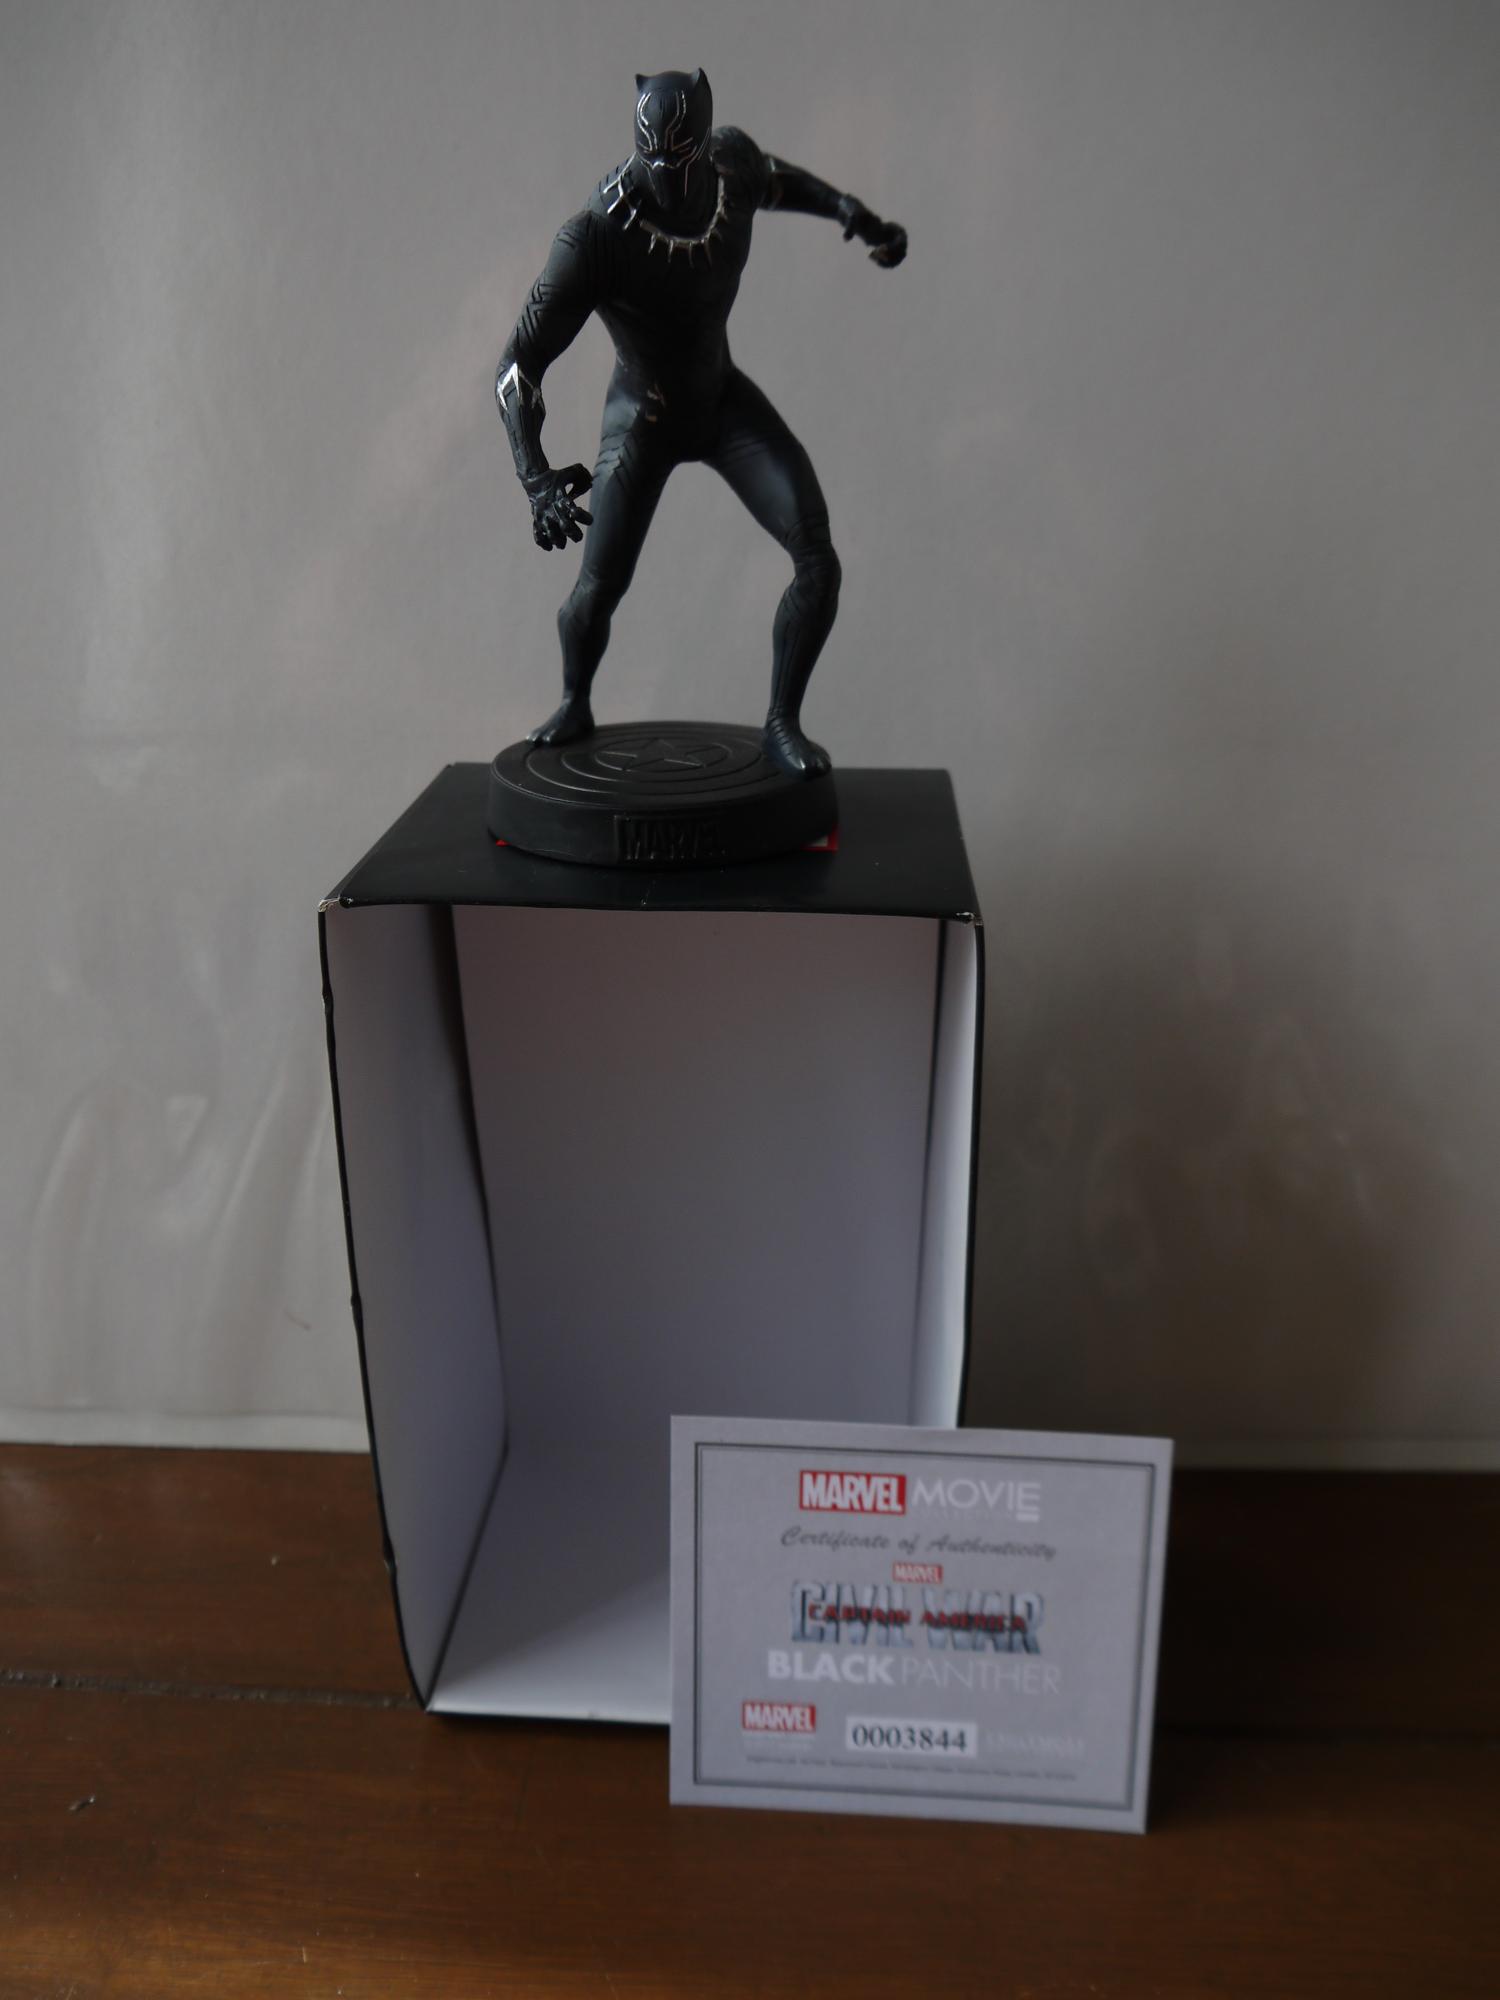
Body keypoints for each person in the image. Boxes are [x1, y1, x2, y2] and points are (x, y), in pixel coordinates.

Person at [496, 68, 907, 778]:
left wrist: (854, 214)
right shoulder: (595, 237)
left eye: (681, 159)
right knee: (596, 592)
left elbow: (782, 183)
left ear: (704, 143)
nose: (667, 177)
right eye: (653, 159)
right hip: (642, 422)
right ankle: (574, 700)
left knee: (817, 561)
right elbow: (517, 366)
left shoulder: (732, 167)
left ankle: (782, 722)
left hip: (721, 402)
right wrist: (535, 480)